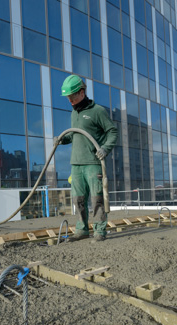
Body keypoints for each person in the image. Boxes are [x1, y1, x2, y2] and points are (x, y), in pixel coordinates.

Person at [54, 75, 118, 242]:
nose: (69, 100)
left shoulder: (97, 111)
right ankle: (82, 230)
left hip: (93, 162)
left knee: (97, 199)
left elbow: (112, 131)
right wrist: (62, 139)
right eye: (68, 97)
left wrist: (105, 148)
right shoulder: (74, 113)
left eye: (72, 96)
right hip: (76, 163)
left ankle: (99, 231)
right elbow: (76, 135)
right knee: (78, 200)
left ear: (82, 93)